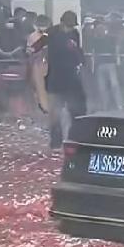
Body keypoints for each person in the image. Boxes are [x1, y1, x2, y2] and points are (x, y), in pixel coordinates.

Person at [44, 10, 87, 150]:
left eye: (71, 26)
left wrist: (81, 60)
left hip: (72, 78)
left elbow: (78, 50)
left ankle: (76, 137)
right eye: (68, 25)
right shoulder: (52, 33)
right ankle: (56, 141)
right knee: (55, 112)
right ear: (62, 22)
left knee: (78, 109)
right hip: (56, 77)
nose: (70, 28)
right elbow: (39, 45)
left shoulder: (74, 34)